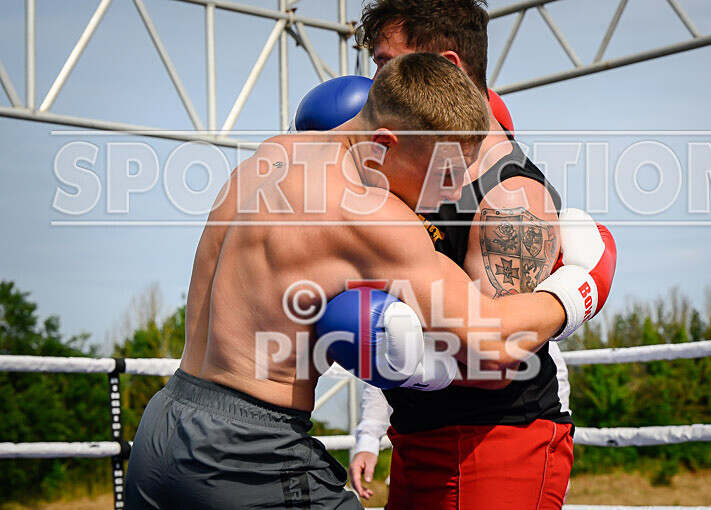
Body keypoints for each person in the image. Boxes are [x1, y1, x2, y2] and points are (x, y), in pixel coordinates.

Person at [123, 53, 606, 509]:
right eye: (444, 171)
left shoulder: (271, 155)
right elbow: (494, 341)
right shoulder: (371, 216)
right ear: (385, 144)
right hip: (246, 454)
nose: (453, 189)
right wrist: (579, 285)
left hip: (161, 430)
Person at [347, 1, 614, 508]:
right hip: (417, 432)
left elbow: (493, 359)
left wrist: (574, 296)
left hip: (496, 443)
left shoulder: (510, 196)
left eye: (386, 63)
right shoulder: (406, 162)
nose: (373, 83)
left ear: (447, 67)